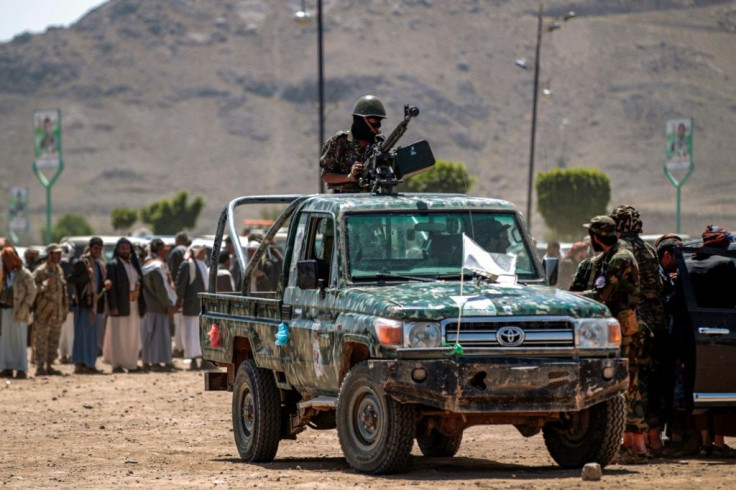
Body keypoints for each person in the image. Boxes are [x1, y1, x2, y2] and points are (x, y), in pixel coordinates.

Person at [574, 216, 649, 462]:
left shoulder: (620, 259)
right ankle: (631, 444)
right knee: (626, 384)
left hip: (625, 328)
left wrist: (570, 296)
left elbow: (601, 295)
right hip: (619, 325)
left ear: (596, 238)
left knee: (628, 384)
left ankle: (637, 446)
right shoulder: (613, 256)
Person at [610, 205, 666, 457]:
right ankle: (651, 440)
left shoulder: (621, 251)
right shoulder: (650, 250)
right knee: (651, 384)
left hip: (633, 326)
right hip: (655, 325)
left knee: (633, 385)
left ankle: (635, 443)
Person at [685, 224, 736, 457]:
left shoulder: (686, 265)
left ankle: (704, 441)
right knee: (723, 386)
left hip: (693, 337)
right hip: (724, 333)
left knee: (698, 387)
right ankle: (718, 442)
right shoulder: (726, 264)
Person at [320, 95, 387, 193]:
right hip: (344, 201)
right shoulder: (339, 141)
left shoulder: (379, 143)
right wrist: (349, 177)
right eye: (375, 120)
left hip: (372, 201)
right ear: (361, 119)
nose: (378, 125)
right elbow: (326, 176)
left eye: (380, 120)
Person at [67, 237, 109, 374]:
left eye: (99, 249)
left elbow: (100, 283)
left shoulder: (100, 265)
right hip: (84, 305)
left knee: (92, 337)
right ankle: (80, 364)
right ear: (90, 248)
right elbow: (71, 279)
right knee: (82, 336)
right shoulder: (82, 263)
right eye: (95, 248)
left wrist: (106, 284)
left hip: (95, 305)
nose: (97, 251)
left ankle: (90, 364)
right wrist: (87, 276)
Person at [104, 238, 145, 373]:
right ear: (117, 249)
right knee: (119, 336)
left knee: (132, 335)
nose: (125, 250)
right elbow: (111, 290)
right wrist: (113, 306)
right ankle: (117, 365)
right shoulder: (113, 265)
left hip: (134, 304)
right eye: (122, 248)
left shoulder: (134, 265)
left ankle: (131, 363)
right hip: (120, 305)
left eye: (127, 248)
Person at [31, 243, 68, 377]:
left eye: (60, 254)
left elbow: (63, 290)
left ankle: (50, 365)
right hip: (44, 312)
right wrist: (46, 284)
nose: (58, 256)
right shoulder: (40, 271)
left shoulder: (59, 270)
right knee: (41, 340)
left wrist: (64, 308)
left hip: (57, 312)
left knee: (54, 340)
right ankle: (40, 367)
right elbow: (33, 289)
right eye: (56, 254)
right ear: (49, 254)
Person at [0, 247, 37, 379]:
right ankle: (6, 368)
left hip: (19, 311)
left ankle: (21, 369)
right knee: (6, 340)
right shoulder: (3, 274)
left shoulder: (24, 273)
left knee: (20, 340)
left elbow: (32, 291)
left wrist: (25, 307)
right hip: (5, 311)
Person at [140, 238, 177, 372]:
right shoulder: (156, 266)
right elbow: (161, 289)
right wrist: (168, 304)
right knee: (157, 336)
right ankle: (155, 362)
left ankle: (148, 361)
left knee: (150, 335)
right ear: (160, 250)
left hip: (150, 305)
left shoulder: (147, 264)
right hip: (157, 306)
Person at [175, 245, 208, 370]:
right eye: (202, 252)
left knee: (201, 333)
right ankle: (193, 360)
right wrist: (179, 299)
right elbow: (180, 285)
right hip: (191, 305)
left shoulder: (202, 264)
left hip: (201, 306)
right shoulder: (187, 265)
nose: (204, 254)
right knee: (190, 333)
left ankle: (204, 360)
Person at [167, 231, 190, 358]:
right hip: (189, 292)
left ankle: (178, 348)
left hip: (178, 291)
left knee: (178, 321)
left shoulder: (175, 252)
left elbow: (172, 272)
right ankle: (184, 348)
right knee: (185, 322)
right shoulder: (190, 251)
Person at [57, 241, 76, 364]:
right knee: (64, 330)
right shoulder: (60, 266)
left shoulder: (72, 265)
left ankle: (67, 354)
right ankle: (64, 354)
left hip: (68, 303)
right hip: (62, 303)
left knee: (67, 330)